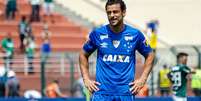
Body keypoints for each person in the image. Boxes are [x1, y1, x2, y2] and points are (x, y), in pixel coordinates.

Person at [79, 0, 154, 100]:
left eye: (115, 12)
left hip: (125, 93)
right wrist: (86, 79)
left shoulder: (135, 34)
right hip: (102, 94)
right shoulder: (98, 34)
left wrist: (143, 79)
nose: (112, 15)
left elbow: (150, 54)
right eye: (109, 12)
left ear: (124, 12)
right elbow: (83, 54)